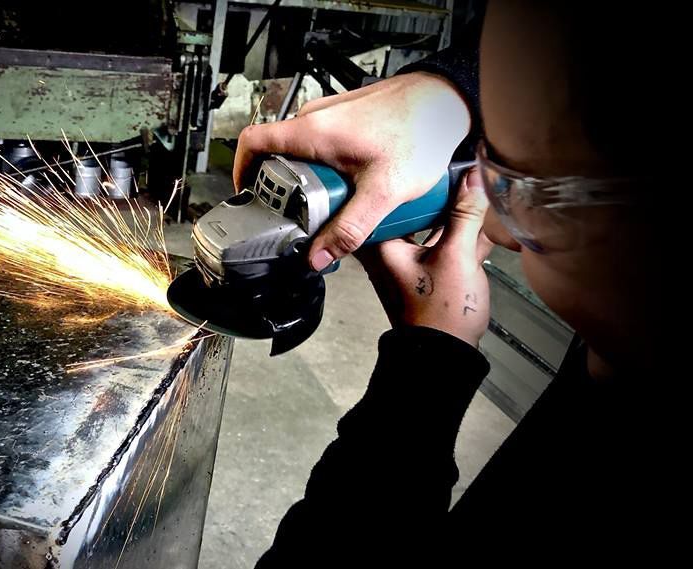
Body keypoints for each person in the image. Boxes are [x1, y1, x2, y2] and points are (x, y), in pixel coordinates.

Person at [236, 2, 678, 564]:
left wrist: (426, 370)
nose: (498, 224)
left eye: (525, 192)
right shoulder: (619, 334)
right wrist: (447, 93)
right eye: (491, 154)